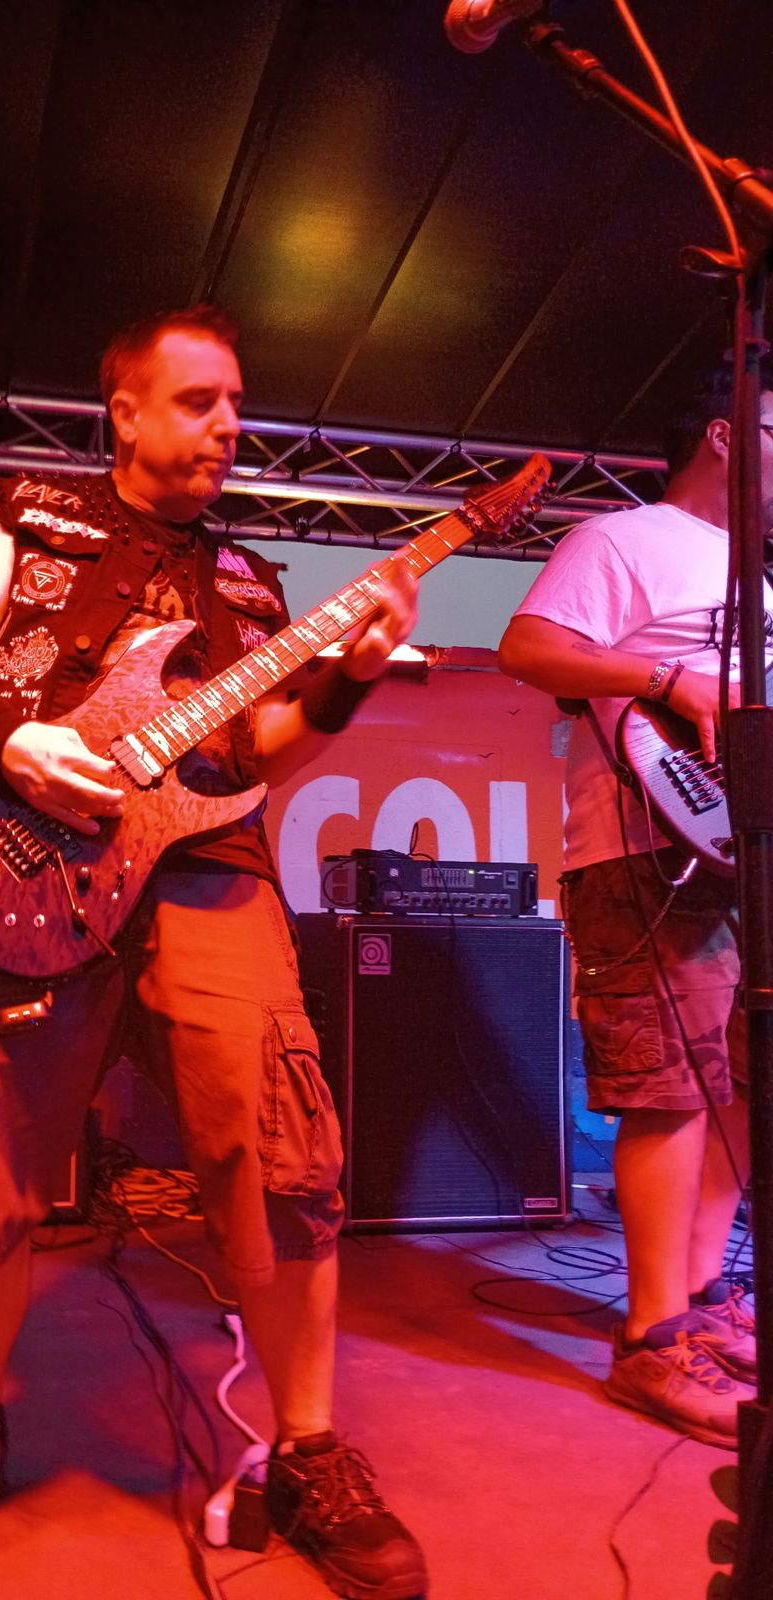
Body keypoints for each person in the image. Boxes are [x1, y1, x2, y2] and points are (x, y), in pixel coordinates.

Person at [0, 305, 428, 1598]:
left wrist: (348, 677)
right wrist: (8, 738)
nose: (229, 424)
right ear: (123, 410)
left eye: (237, 404)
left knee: (279, 1147)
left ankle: (309, 1451)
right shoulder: (22, 516)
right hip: (33, 860)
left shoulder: (252, 587)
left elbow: (261, 751)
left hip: (209, 874)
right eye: (197, 400)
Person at [497, 356, 773, 1447]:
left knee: (740, 1083)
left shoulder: (757, 580)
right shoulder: (622, 539)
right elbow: (528, 646)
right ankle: (652, 1340)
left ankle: (701, 1301)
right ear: (723, 434)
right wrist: (666, 678)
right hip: (645, 853)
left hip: (744, 861)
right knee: (671, 1089)